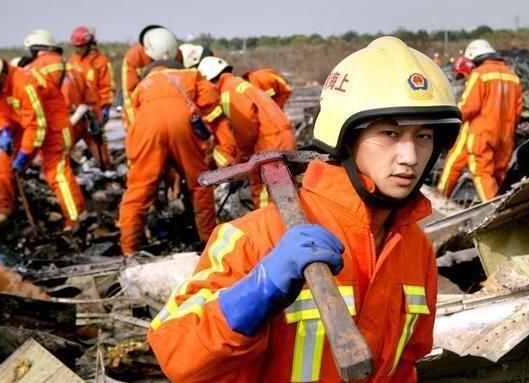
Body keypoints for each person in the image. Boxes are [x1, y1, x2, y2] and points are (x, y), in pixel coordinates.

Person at [148, 36, 462, 382]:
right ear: (344, 138)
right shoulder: (254, 238)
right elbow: (174, 351)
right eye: (389, 133)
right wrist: (259, 289)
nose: (410, 157)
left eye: (423, 136)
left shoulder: (415, 248)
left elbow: (406, 366)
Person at [118, 28, 237, 255]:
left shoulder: (143, 86)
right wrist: (223, 150)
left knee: (139, 190)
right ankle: (208, 243)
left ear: (149, 55)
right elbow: (212, 108)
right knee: (199, 185)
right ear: (177, 54)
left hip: (146, 130)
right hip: (184, 128)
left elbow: (131, 119)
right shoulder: (191, 77)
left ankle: (129, 251)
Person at [0, 54, 86, 230]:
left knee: (55, 173)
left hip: (54, 128)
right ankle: (5, 210)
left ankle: (75, 218)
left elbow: (37, 124)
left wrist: (25, 153)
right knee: (4, 165)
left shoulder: (24, 83)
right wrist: (3, 130)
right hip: (23, 127)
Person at [198, 56, 296, 207]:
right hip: (278, 138)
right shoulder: (237, 84)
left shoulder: (228, 93)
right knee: (286, 189)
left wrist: (241, 162)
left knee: (264, 190)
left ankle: (271, 227)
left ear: (210, 80)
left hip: (269, 143)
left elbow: (246, 131)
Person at [437, 39, 522, 201]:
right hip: (505, 137)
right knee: (499, 174)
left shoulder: (480, 74)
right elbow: (518, 112)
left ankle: (494, 212)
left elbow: (468, 106)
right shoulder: (513, 77)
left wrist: (449, 121)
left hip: (480, 134)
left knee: (482, 173)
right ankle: (440, 197)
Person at [67, 26, 115, 170]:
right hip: (75, 115)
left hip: (93, 114)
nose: (79, 49)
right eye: (77, 47)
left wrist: (105, 108)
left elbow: (107, 87)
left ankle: (107, 174)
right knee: (61, 148)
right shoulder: (72, 61)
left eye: (82, 46)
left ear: (89, 44)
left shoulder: (100, 62)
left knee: (101, 155)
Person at [121, 25, 181, 130]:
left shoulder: (175, 53)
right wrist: (136, 125)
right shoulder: (134, 57)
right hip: (142, 111)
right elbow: (129, 94)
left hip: (171, 111)